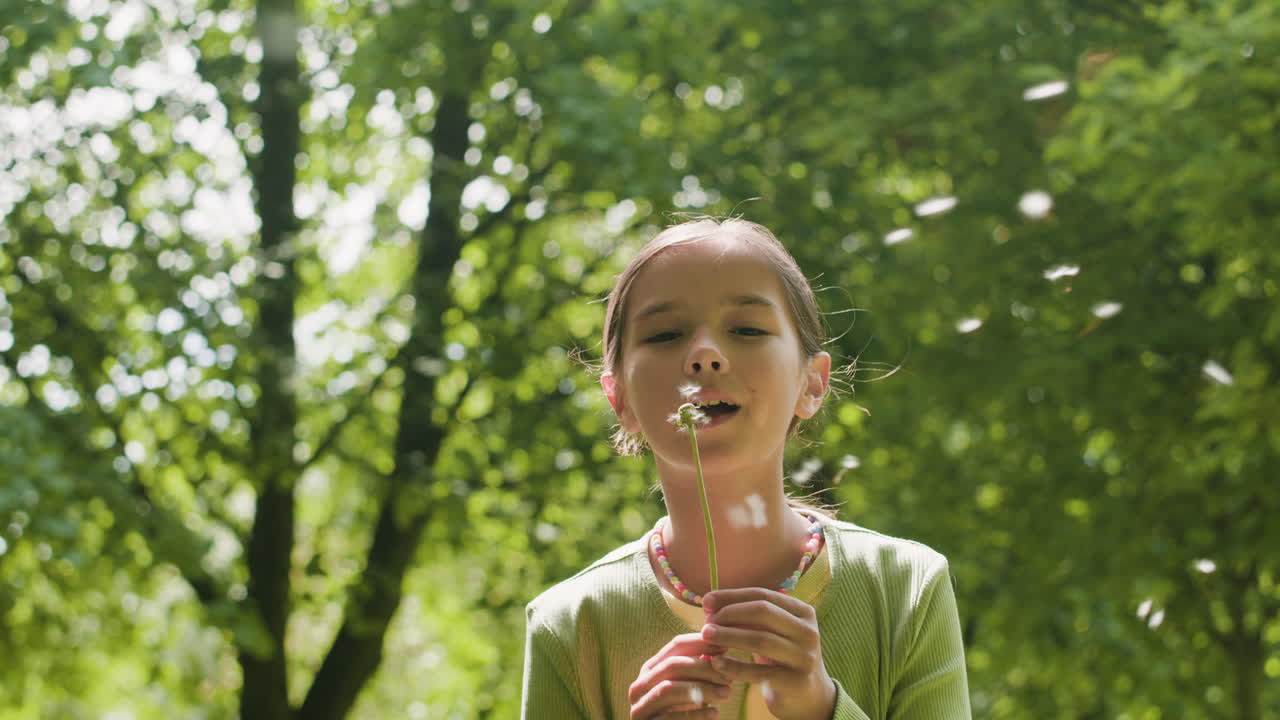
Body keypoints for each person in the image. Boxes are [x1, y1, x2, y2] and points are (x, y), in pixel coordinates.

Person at [521, 218, 971, 719]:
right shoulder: (569, 625)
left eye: (747, 329)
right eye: (666, 334)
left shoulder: (907, 588)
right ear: (619, 396)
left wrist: (822, 710)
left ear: (813, 384)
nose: (705, 356)